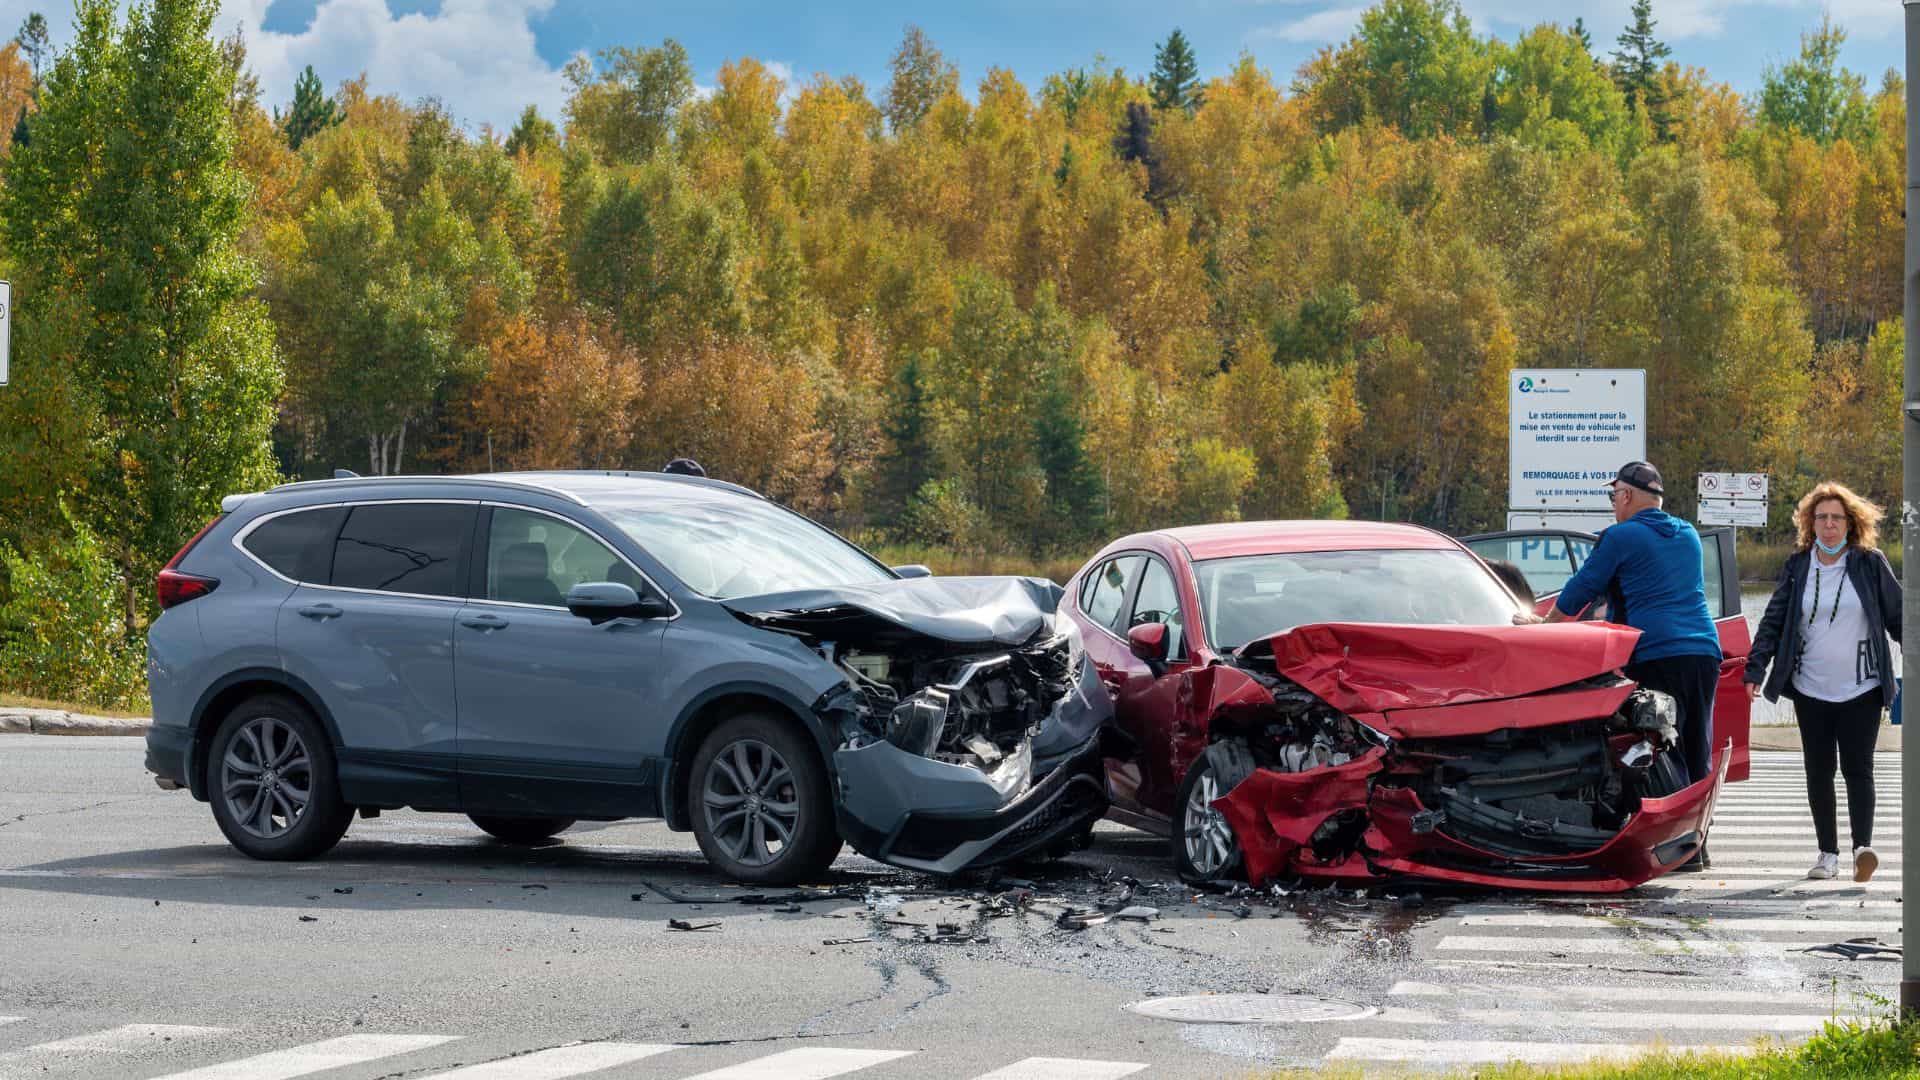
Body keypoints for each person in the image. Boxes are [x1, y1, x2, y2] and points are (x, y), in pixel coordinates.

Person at [1521, 462, 1723, 799]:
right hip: (1704, 652)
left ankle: (1669, 838)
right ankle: (1698, 841)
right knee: (1697, 749)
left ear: (1626, 495)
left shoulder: (1620, 535)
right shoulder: (1688, 534)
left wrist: (1544, 628)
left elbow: (1582, 588)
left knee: (1660, 751)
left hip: (1657, 654)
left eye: (1613, 496)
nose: (1613, 504)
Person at [1743, 482, 1902, 882]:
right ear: (1810, 524)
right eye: (1821, 518)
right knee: (1818, 771)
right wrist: (1755, 669)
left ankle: (1861, 849)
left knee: (1858, 769)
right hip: (1810, 686)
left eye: (1836, 518)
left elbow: (1899, 617)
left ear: (1851, 523)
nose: (1829, 525)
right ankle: (1827, 855)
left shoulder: (1869, 562)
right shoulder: (1798, 566)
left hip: (1861, 687)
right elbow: (1773, 620)